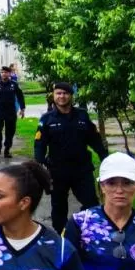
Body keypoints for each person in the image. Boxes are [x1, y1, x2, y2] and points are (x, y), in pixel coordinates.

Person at [34, 82, 109, 233]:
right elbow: (39, 144)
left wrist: (105, 158)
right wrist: (40, 164)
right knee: (59, 206)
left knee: (91, 203)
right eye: (58, 93)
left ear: (71, 96)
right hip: (57, 171)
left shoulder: (82, 115)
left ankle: (88, 232)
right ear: (53, 96)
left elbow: (94, 139)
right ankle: (61, 235)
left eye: (65, 93)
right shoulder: (47, 119)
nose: (62, 96)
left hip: (82, 170)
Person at [0, 66, 26, 158]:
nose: (4, 74)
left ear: (10, 73)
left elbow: (20, 96)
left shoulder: (14, 84)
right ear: (0, 73)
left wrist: (22, 109)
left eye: (6, 72)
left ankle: (7, 149)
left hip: (10, 111)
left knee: (10, 131)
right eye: (2, 72)